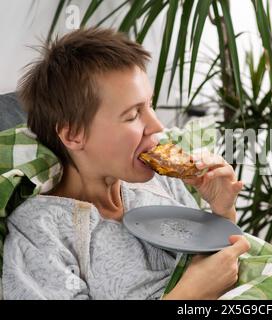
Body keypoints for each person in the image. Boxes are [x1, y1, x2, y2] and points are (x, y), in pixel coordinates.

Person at [2, 28, 250, 300]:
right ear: (73, 134)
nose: (156, 126)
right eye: (133, 115)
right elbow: (202, 284)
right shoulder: (40, 234)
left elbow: (219, 266)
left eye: (150, 105)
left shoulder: (160, 182)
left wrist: (222, 211)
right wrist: (189, 295)